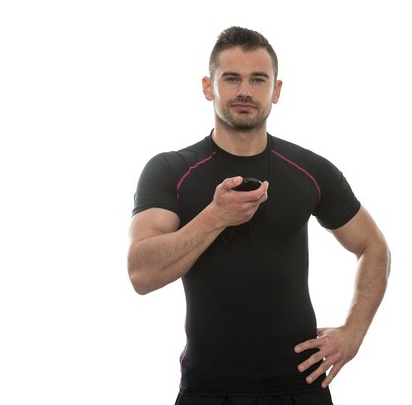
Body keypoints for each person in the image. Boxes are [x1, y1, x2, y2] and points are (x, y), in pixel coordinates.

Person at [127, 26, 391, 405]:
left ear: (276, 90)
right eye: (231, 79)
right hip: (209, 390)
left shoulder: (309, 170)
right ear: (208, 87)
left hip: (300, 387)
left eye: (258, 79)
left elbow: (373, 246)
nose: (244, 91)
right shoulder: (170, 170)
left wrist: (354, 332)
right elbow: (141, 273)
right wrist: (215, 216)